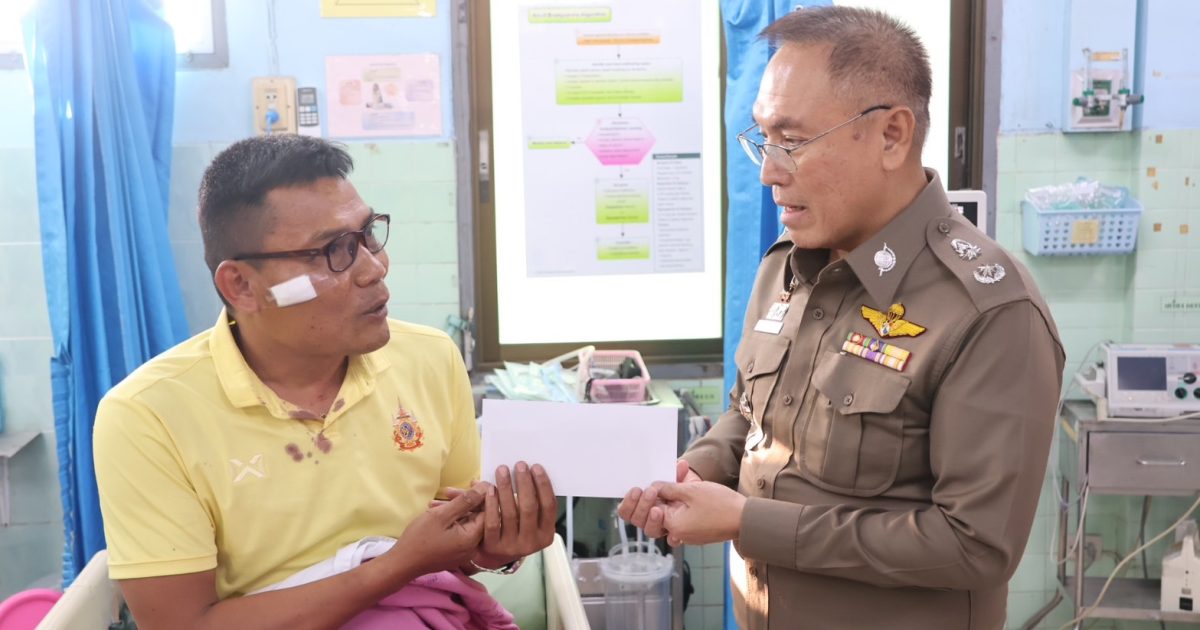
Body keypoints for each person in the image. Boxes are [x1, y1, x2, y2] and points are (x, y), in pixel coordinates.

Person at [619, 7, 1064, 629]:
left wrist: (749, 522)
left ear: (891, 136)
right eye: (763, 138)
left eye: (792, 141)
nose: (769, 171)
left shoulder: (987, 311)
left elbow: (974, 545)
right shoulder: (787, 267)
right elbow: (751, 412)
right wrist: (702, 464)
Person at [93, 135, 557, 629]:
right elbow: (184, 625)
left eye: (369, 234)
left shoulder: (430, 359)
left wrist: (493, 550)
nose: (375, 268)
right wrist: (397, 566)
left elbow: (452, 552)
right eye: (335, 250)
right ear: (242, 286)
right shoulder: (148, 415)